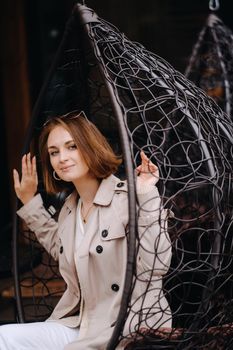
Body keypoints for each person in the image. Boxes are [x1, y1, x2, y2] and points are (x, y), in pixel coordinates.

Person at [0, 112, 172, 350]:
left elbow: (157, 264)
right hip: (79, 324)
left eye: (72, 146)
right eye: (54, 152)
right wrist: (30, 202)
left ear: (91, 147)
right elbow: (60, 247)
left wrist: (146, 195)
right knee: (4, 339)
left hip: (123, 329)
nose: (62, 158)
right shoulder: (70, 210)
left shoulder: (127, 198)